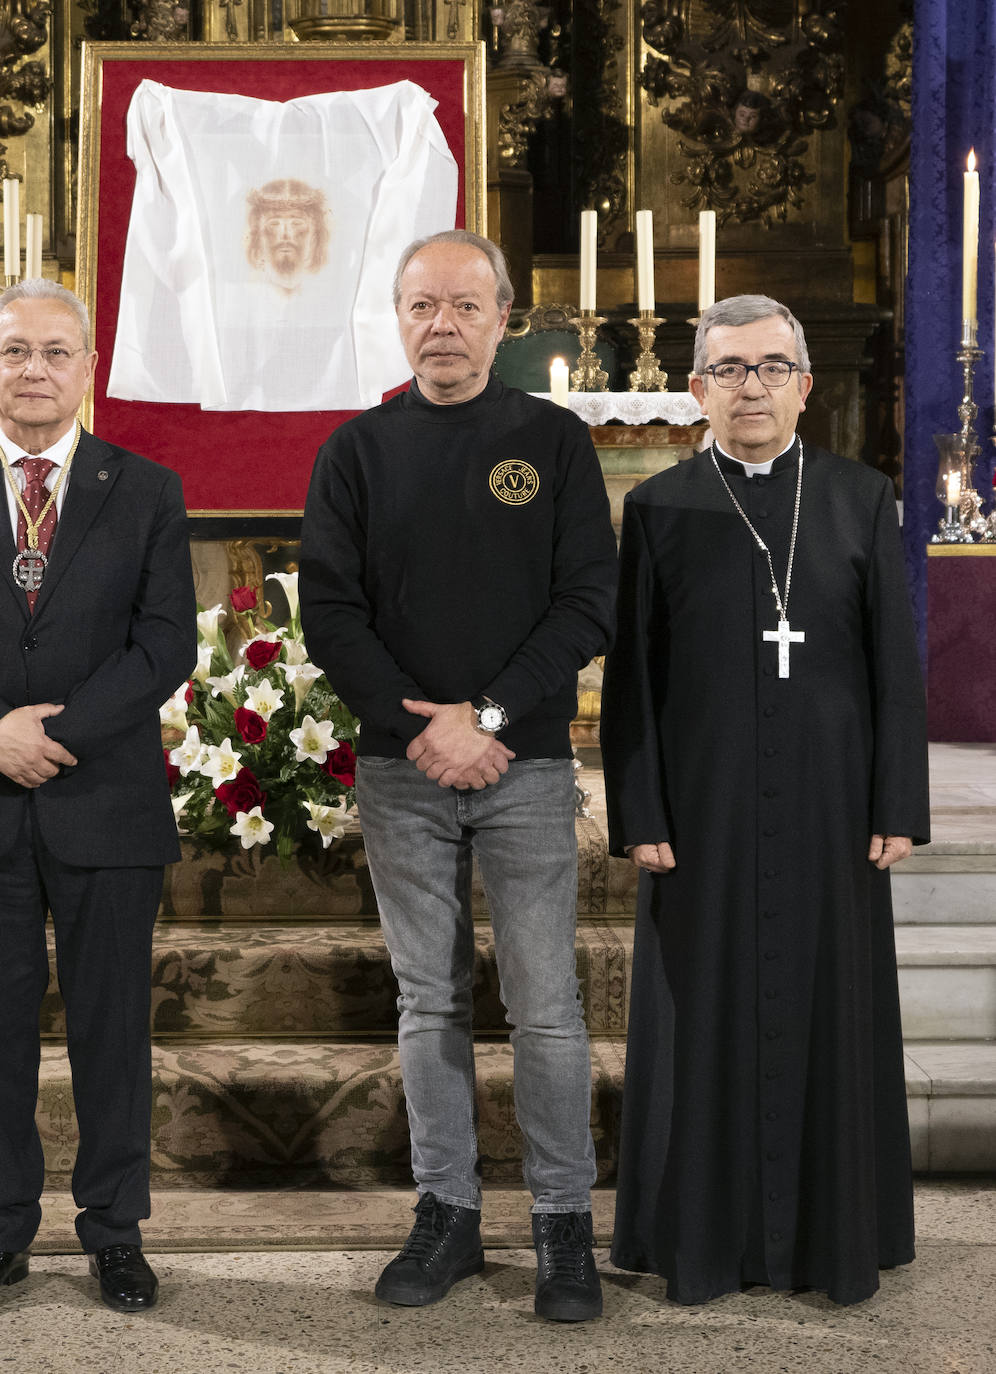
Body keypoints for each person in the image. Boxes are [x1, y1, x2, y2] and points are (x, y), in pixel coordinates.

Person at [299, 229, 618, 1322]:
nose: (442, 324)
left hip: (522, 762)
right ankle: (446, 1216)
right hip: (401, 772)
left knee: (545, 1009)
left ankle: (563, 1225)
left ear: (502, 318)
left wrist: (482, 717)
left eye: (464, 306)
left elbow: (586, 601)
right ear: (396, 317)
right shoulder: (356, 450)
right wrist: (418, 723)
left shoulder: (554, 442)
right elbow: (330, 612)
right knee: (427, 1002)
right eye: (421, 305)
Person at [0, 279, 197, 1319]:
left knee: (112, 1030)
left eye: (56, 353)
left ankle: (114, 1234)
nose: (35, 372)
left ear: (87, 367)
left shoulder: (143, 488)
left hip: (101, 798)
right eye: (15, 352)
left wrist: (52, 735)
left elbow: (164, 644)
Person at [601, 293, 930, 1307]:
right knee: (699, 1013)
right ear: (695, 388)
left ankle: (833, 1241)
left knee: (830, 1004)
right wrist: (641, 813)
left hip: (833, 806)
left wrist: (897, 800)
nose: (752, 387)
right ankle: (699, 1241)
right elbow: (634, 682)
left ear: (805, 385)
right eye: (731, 368)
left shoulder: (856, 496)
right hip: (701, 810)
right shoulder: (659, 506)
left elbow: (891, 665)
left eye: (772, 367)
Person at [244, 178, 330, 294]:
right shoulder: (244, 292)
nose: (285, 235)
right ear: (258, 235)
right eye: (274, 224)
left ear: (313, 234)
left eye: (296, 223)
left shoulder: (325, 290)